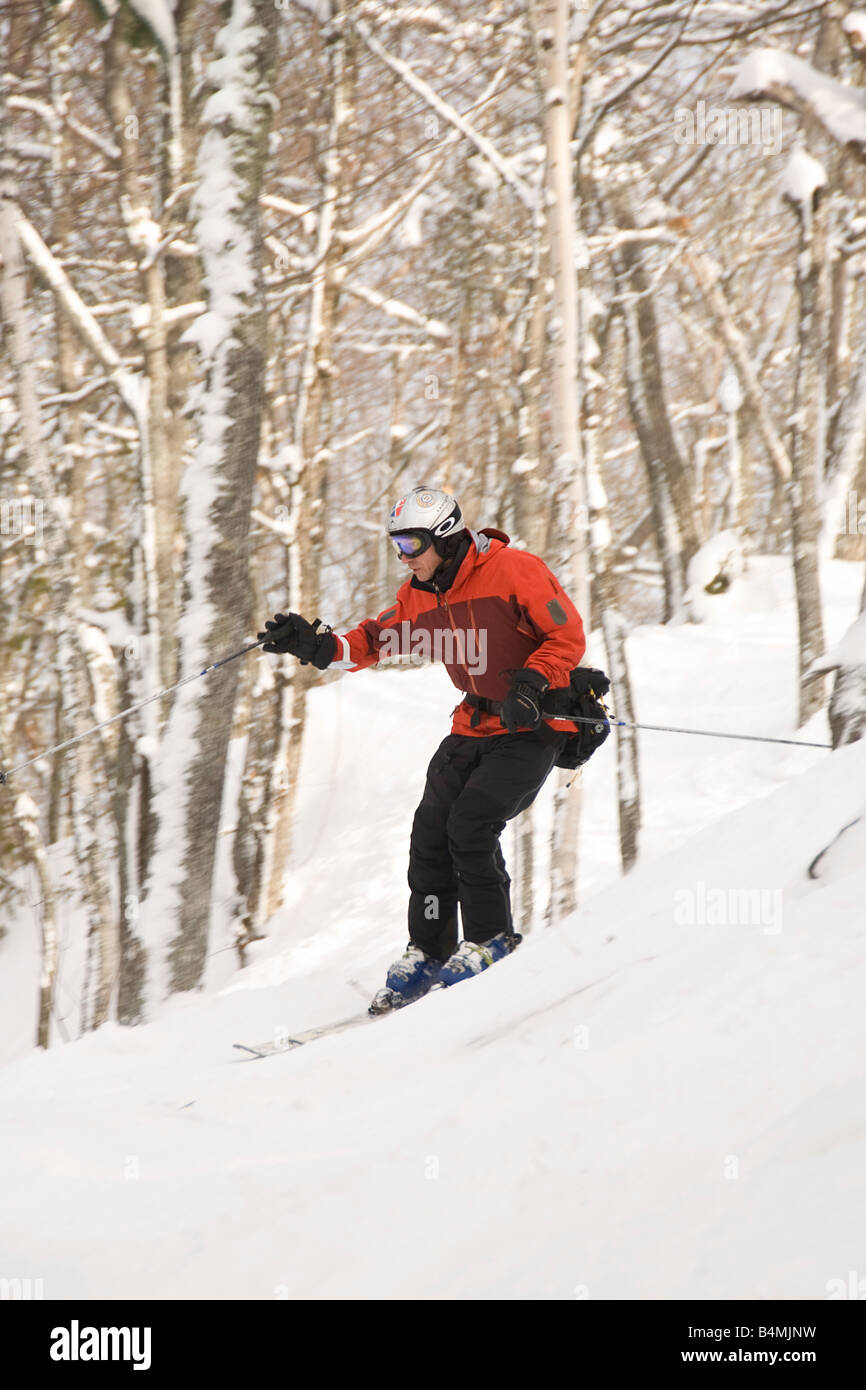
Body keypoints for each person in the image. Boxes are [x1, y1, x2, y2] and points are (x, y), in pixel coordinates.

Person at [259, 485, 587, 1012]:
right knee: (430, 833)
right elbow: (371, 640)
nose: (403, 557)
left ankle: (490, 940)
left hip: (533, 723)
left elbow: (567, 635)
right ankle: (430, 953)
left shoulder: (515, 570)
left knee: (471, 825)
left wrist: (532, 683)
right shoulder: (422, 593)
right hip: (474, 722)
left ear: (447, 539)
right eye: (397, 546)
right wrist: (313, 644)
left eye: (412, 544)